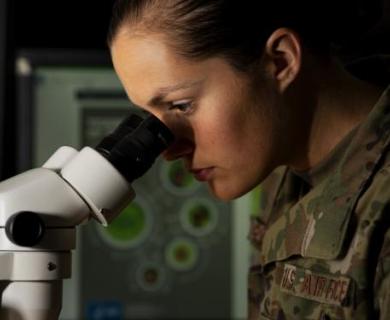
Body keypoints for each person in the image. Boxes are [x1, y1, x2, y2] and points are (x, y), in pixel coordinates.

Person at [107, 0, 390, 319]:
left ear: (281, 61)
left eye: (182, 105)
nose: (169, 151)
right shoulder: (283, 177)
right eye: (150, 118)